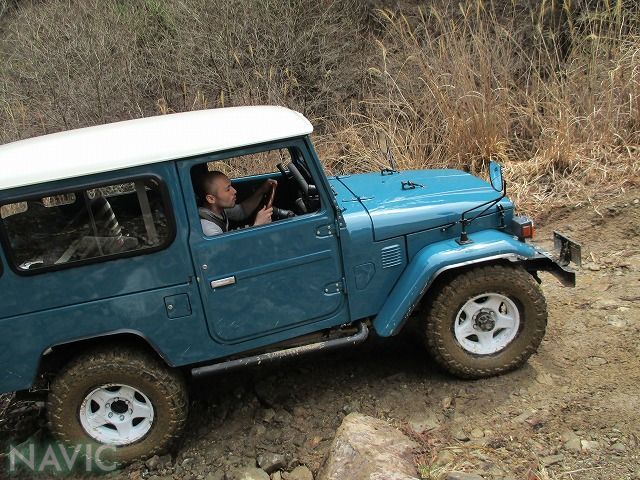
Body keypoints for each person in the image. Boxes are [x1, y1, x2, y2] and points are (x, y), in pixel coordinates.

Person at [197, 170, 276, 236]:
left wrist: (261, 191)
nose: (234, 191)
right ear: (211, 199)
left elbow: (242, 211)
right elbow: (227, 249)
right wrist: (257, 225)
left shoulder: (220, 210)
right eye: (228, 189)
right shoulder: (207, 227)